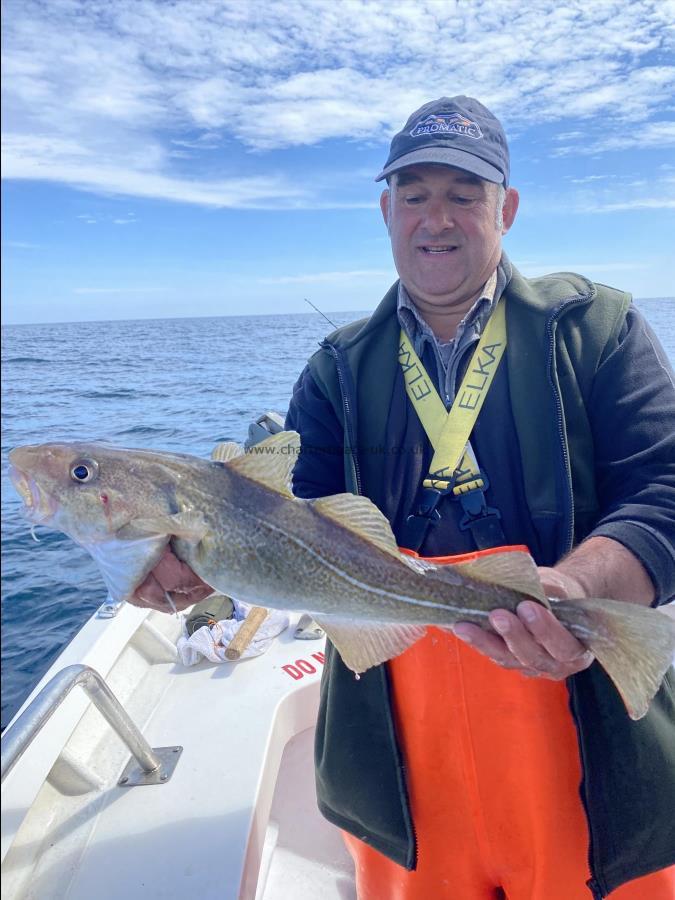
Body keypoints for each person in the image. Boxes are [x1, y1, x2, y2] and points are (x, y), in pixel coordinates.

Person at [131, 96, 675, 899]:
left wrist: (573, 588)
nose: (437, 218)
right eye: (414, 194)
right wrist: (199, 569)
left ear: (507, 208)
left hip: (582, 709)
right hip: (395, 739)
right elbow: (287, 523)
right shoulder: (334, 368)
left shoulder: (594, 327)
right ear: (386, 210)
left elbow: (662, 489)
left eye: (464, 192)